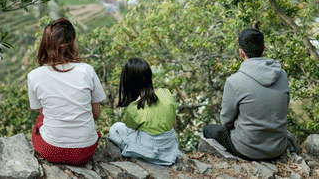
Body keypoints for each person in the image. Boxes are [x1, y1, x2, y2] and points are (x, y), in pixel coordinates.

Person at [27, 18, 106, 166]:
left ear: (45, 44)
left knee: (40, 121)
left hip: (52, 150)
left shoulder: (34, 75)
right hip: (85, 151)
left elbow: (44, 112)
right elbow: (96, 114)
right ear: (73, 42)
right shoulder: (87, 70)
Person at [202, 27, 290, 160]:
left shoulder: (234, 81)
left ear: (241, 52)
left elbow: (226, 121)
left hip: (248, 149)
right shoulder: (282, 75)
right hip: (278, 147)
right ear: (264, 48)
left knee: (209, 129)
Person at [107, 58, 181, 166]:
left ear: (128, 82)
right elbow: (173, 125)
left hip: (149, 153)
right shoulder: (166, 93)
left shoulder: (134, 106)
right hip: (169, 151)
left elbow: (132, 128)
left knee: (115, 127)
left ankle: (136, 153)